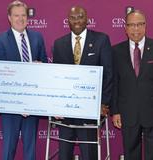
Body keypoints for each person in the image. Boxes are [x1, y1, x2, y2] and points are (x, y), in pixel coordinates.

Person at [111, 10, 153, 160]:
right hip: (128, 112)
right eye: (132, 25)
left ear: (145, 26)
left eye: (139, 24)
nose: (136, 29)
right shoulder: (116, 51)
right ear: (125, 28)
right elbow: (115, 84)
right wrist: (115, 111)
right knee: (131, 154)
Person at [53, 6, 113, 160]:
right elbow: (56, 79)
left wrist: (103, 103)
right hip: (65, 112)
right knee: (64, 155)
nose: (77, 20)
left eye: (80, 16)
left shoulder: (101, 40)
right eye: (73, 17)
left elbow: (108, 74)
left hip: (91, 110)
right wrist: (54, 105)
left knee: (89, 155)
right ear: (68, 21)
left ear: (87, 19)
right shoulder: (59, 44)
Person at [0, 1, 47, 159]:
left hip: (32, 102)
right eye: (16, 15)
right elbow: (1, 75)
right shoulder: (0, 40)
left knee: (30, 148)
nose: (20, 19)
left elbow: (44, 64)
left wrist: (40, 65)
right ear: (9, 18)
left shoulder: (37, 37)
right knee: (9, 147)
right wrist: (17, 101)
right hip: (11, 104)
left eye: (23, 15)